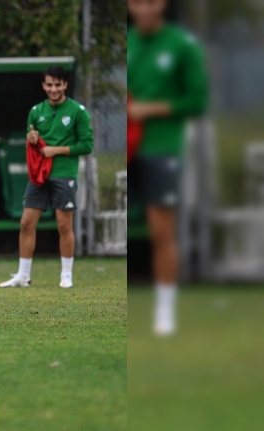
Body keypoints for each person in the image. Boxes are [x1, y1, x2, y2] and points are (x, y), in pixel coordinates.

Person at [127, 0, 208, 335]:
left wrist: (150, 109)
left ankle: (164, 311)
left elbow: (197, 100)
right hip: (127, 149)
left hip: (162, 148)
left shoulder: (183, 45)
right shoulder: (128, 40)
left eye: (151, 1)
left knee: (162, 232)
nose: (144, 8)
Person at [0, 66, 93, 289]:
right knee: (26, 223)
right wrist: (32, 139)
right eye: (49, 84)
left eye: (57, 84)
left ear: (65, 85)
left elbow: (87, 145)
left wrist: (56, 150)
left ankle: (67, 275)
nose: (53, 89)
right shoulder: (36, 111)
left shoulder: (78, 111)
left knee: (63, 224)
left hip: (64, 173)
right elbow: (34, 142)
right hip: (39, 175)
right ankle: (23, 276)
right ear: (44, 85)